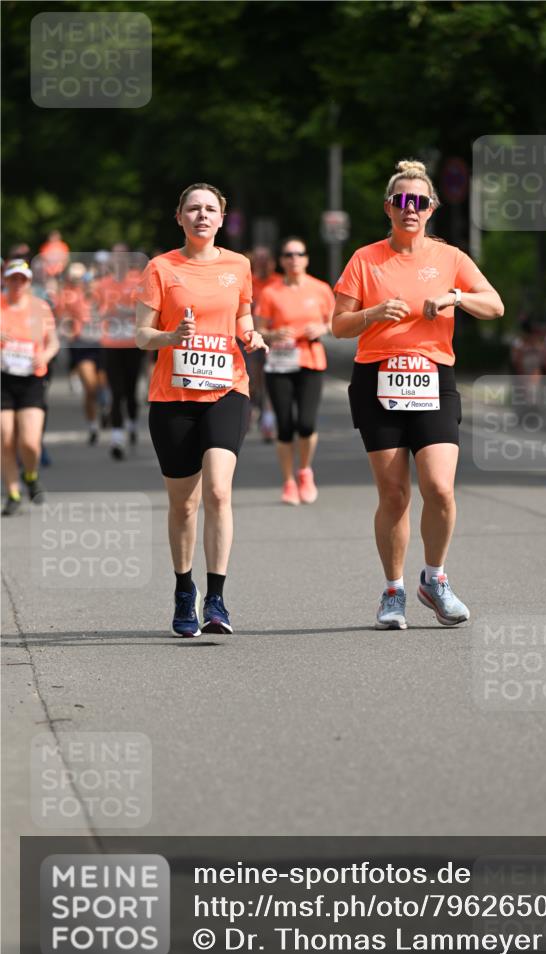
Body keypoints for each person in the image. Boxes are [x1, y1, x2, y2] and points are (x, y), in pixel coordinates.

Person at [332, 159, 503, 629]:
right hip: (378, 380)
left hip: (433, 379)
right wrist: (371, 314)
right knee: (394, 494)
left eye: (420, 202)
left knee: (441, 489)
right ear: (389, 208)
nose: (411, 209)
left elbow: (495, 304)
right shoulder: (365, 260)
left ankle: (435, 578)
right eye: (402, 201)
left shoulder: (450, 258)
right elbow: (338, 325)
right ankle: (393, 592)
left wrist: (456, 298)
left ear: (431, 209)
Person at [135, 183, 267, 637]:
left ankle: (216, 597)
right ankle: (183, 588)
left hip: (227, 389)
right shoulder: (161, 268)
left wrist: (251, 335)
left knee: (218, 491)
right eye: (193, 209)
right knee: (184, 505)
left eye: (210, 209)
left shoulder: (239, 265)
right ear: (179, 217)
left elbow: (243, 317)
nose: (202, 215)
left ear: (222, 217)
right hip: (173, 398)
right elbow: (140, 334)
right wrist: (172, 338)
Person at [256, 237, 334, 504]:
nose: (294, 259)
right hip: (279, 364)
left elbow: (337, 322)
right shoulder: (271, 292)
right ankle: (288, 481)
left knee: (307, 423)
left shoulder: (320, 289)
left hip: (311, 361)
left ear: (306, 259)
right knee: (285, 426)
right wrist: (274, 333)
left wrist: (323, 329)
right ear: (282, 260)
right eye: (288, 255)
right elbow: (258, 330)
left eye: (299, 254)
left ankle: (305, 471)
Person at [1, 260, 59, 515]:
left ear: (28, 281)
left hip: (32, 379)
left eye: (21, 279)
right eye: (12, 278)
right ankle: (13, 492)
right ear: (5, 280)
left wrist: (45, 356)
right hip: (3, 378)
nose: (17, 283)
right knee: (6, 437)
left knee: (30, 443)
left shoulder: (40, 308)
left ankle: (31, 474)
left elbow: (53, 342)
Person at [95, 243, 145, 459]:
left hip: (133, 343)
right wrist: (104, 315)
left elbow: (146, 307)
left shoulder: (137, 280)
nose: (119, 261)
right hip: (111, 344)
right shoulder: (103, 284)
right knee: (116, 392)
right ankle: (117, 437)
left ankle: (132, 424)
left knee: (131, 390)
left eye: (123, 257)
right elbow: (94, 311)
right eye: (116, 257)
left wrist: (126, 310)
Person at [55, 261, 104, 444]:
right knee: (90, 388)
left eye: (93, 279)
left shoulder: (106, 297)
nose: (90, 282)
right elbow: (62, 319)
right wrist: (69, 329)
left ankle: (105, 408)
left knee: (103, 387)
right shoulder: (72, 298)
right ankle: (93, 426)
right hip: (82, 345)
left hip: (105, 346)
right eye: (86, 279)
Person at [248, 246, 280, 442]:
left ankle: (267, 420)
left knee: (269, 379)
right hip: (249, 338)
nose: (262, 263)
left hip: (273, 339)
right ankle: (254, 409)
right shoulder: (247, 281)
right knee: (253, 379)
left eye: (266, 259)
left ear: (272, 262)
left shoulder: (278, 282)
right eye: (259, 259)